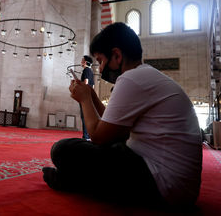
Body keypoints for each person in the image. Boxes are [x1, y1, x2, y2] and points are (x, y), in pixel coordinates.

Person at [42, 22, 202, 208]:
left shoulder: (130, 79)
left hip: (163, 185)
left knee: (62, 149)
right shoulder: (145, 75)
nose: (100, 69)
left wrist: (85, 100)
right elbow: (111, 126)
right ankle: (80, 182)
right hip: (179, 188)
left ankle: (72, 181)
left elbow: (99, 137)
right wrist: (92, 96)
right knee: (111, 145)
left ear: (117, 55)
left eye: (101, 61)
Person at [79, 55, 94, 139]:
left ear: (85, 62)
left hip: (85, 97)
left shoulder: (86, 70)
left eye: (82, 60)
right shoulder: (90, 71)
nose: (81, 61)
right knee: (86, 116)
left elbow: (86, 82)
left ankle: (86, 136)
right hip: (88, 96)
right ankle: (87, 135)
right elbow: (93, 86)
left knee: (84, 116)